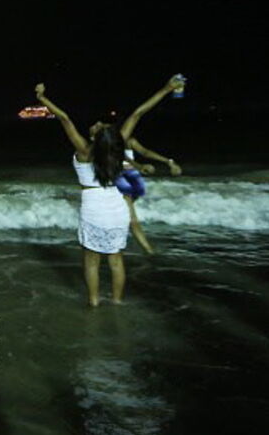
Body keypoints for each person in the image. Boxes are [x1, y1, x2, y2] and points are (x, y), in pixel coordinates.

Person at [35, 76, 184, 306]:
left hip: (93, 209)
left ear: (96, 136)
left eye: (98, 126)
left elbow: (64, 118)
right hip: (117, 208)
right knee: (116, 261)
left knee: (92, 262)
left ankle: (94, 302)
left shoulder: (84, 151)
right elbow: (138, 113)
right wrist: (167, 88)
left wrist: (42, 97)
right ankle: (117, 302)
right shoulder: (116, 148)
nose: (95, 124)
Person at [115, 137, 184, 255]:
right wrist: (139, 166)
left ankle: (118, 244)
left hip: (130, 182)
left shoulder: (129, 141)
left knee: (125, 216)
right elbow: (121, 158)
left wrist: (169, 162)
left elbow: (145, 152)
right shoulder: (108, 145)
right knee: (131, 218)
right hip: (116, 182)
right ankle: (148, 251)